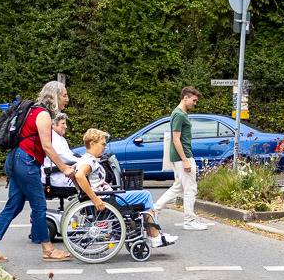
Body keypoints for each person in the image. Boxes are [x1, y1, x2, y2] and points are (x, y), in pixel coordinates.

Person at [0, 81, 75, 263]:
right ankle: (48, 249)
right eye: (64, 95)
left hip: (17, 159)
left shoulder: (33, 110)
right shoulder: (43, 115)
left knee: (14, 205)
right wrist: (64, 168)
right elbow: (47, 147)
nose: (67, 99)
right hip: (26, 161)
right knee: (39, 206)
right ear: (55, 96)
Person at [75, 128, 177, 248]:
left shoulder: (85, 159)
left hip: (107, 196)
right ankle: (154, 236)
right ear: (92, 143)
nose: (105, 147)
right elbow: (79, 175)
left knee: (142, 196)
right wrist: (95, 199)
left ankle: (153, 235)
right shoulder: (90, 161)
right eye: (102, 144)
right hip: (107, 198)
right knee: (145, 195)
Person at [157, 86, 212, 230]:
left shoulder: (180, 113)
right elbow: (176, 139)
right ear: (185, 98)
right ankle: (189, 221)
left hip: (182, 156)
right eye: (194, 100)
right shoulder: (180, 114)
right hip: (184, 157)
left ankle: (153, 210)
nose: (195, 103)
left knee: (178, 187)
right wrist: (185, 160)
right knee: (190, 189)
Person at [43, 112, 79, 190]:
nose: (66, 126)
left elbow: (70, 155)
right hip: (56, 176)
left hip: (61, 173)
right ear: (53, 124)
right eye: (63, 123)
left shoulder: (59, 138)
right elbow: (63, 156)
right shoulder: (53, 138)